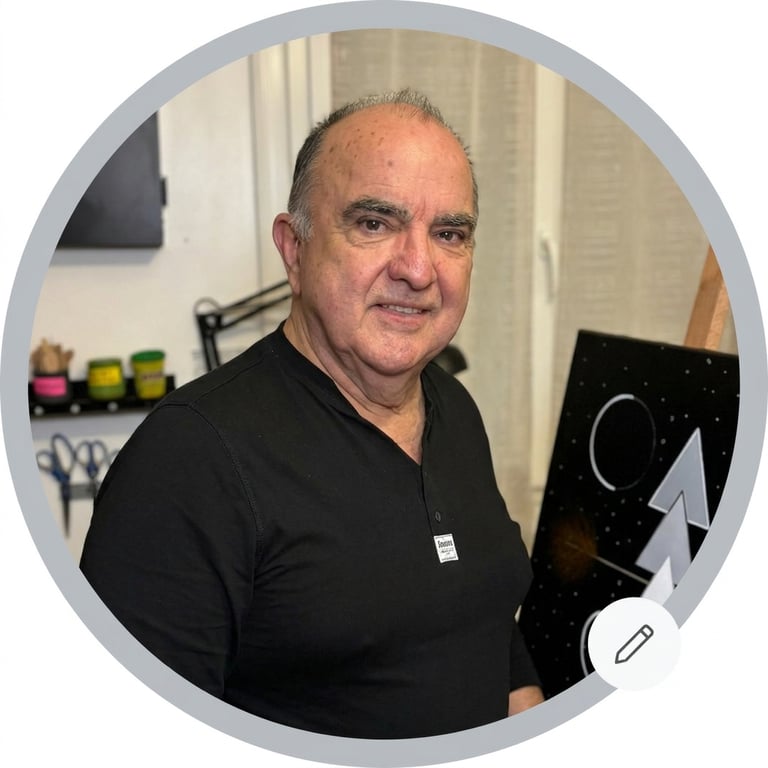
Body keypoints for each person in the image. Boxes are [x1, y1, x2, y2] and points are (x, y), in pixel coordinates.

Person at [80, 88, 544, 739]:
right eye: (374, 223)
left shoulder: (455, 408)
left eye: (449, 233)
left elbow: (483, 618)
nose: (418, 269)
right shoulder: (190, 459)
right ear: (294, 250)